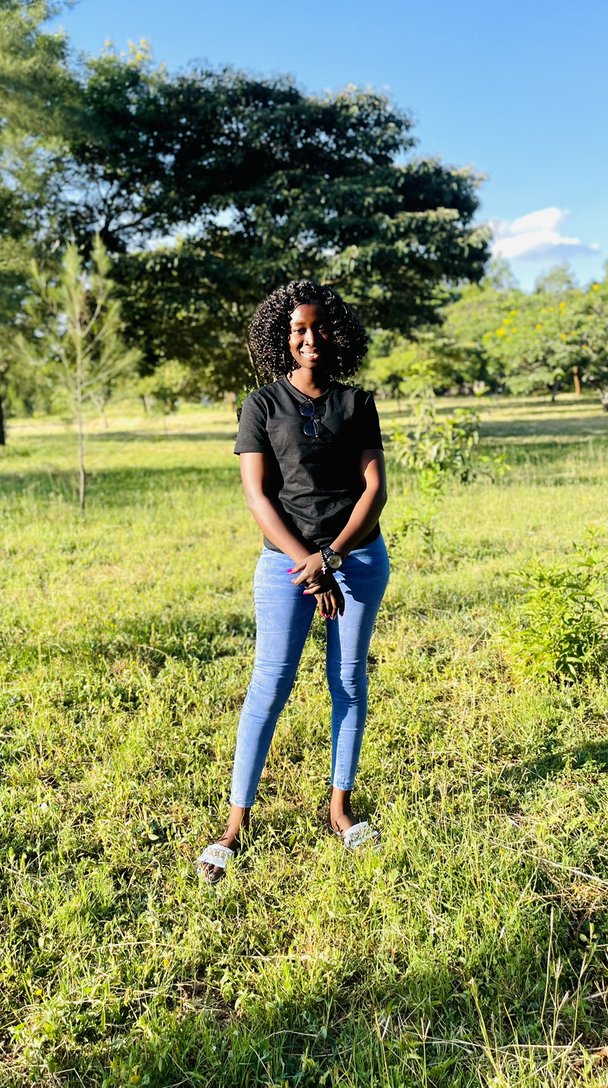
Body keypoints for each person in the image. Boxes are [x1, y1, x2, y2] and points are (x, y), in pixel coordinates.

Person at [196, 280, 390, 883]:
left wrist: (329, 559)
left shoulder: (357, 404)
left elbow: (375, 491)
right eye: (297, 330)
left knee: (348, 680)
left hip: (355, 561)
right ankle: (235, 823)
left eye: (317, 327)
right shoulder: (260, 406)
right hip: (285, 564)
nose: (309, 338)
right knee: (270, 684)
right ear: (282, 338)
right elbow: (257, 496)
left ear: (335, 333)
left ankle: (338, 809)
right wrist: (307, 563)